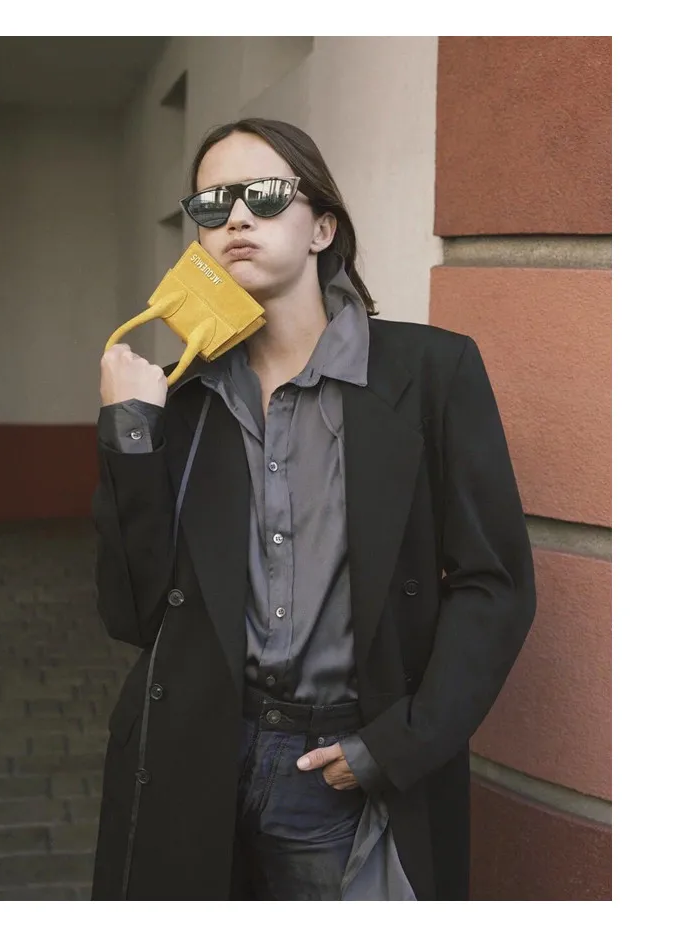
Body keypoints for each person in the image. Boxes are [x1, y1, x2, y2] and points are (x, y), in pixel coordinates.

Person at [90, 117, 536, 901]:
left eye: (263, 194)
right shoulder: (182, 403)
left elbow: (493, 584)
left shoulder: (431, 374)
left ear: (322, 227)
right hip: (196, 768)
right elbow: (132, 613)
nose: (236, 217)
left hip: (342, 774)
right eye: (212, 203)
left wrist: (394, 747)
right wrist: (130, 431)